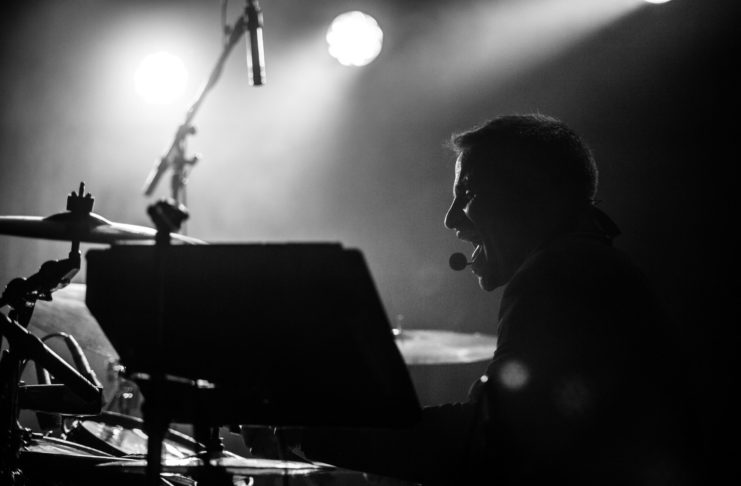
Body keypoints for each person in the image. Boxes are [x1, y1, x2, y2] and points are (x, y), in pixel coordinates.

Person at [248, 114, 700, 485]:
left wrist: (311, 431)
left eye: (469, 194)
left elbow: (488, 443)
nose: (451, 220)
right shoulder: (588, 265)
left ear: (530, 196)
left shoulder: (556, 274)